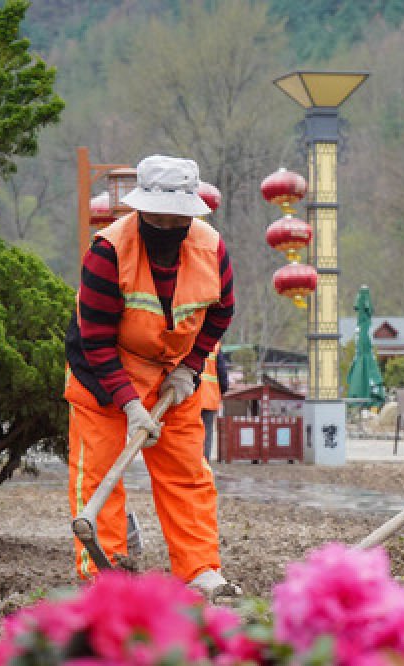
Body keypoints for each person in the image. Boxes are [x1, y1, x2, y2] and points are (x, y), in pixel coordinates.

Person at [64, 155, 236, 598]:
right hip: (103, 372)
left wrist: (190, 367)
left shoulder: (211, 248)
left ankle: (199, 569)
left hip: (172, 374)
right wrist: (129, 403)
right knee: (99, 473)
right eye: (157, 219)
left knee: (187, 472)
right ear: (141, 211)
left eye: (177, 219)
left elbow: (221, 312)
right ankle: (104, 575)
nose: (167, 227)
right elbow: (96, 340)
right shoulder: (109, 251)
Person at [198, 343, 230, 462]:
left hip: (190, 398)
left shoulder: (188, 338)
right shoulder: (215, 345)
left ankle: (190, 466)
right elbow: (222, 374)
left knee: (189, 432)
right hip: (209, 397)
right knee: (206, 434)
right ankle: (204, 465)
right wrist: (221, 390)